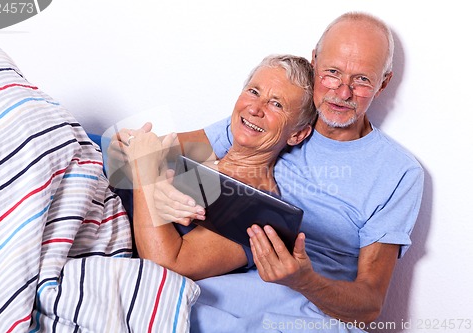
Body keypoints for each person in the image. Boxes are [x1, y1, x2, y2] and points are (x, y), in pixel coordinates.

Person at [137, 11, 424, 332]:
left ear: (383, 82)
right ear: (314, 61)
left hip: (315, 314)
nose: (343, 92)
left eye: (361, 80)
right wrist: (158, 180)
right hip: (222, 293)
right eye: (332, 72)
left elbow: (370, 305)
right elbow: (137, 150)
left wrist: (305, 280)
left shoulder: (399, 172)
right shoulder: (278, 118)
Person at [113, 54, 316, 281]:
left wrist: (145, 169)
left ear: (297, 134)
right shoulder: (199, 155)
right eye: (253, 92)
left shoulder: (259, 211)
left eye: (276, 104)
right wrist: (131, 148)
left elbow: (168, 264)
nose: (255, 109)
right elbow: (117, 154)